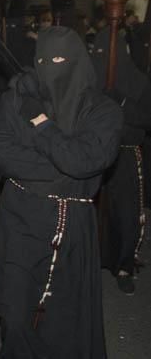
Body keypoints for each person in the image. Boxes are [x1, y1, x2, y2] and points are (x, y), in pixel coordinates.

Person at [0, 27, 122, 358]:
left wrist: (41, 123)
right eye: (44, 60)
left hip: (72, 229)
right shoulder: (20, 97)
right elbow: (1, 150)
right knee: (15, 314)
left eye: (60, 60)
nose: (52, 67)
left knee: (62, 326)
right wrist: (63, 166)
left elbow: (85, 159)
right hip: (20, 221)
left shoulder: (103, 111)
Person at [91, 26, 151, 295]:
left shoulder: (138, 81)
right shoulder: (91, 78)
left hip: (125, 153)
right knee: (91, 212)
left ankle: (125, 265)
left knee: (126, 214)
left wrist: (122, 101)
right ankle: (93, 258)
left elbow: (146, 118)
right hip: (96, 151)